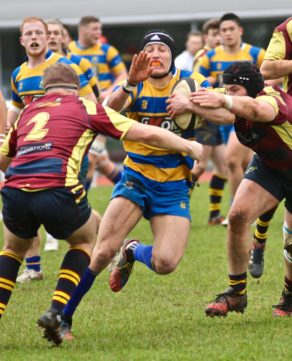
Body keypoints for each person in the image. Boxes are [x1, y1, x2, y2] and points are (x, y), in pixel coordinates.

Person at [0, 63, 203, 344]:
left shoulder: (27, 113)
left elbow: (3, 158)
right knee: (87, 241)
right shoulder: (85, 106)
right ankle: (59, 313)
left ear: (44, 87)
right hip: (61, 187)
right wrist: (189, 146)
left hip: (14, 190)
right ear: (77, 87)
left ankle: (125, 255)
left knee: (12, 251)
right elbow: (142, 133)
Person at [53, 29, 208, 343]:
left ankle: (133, 250)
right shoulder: (135, 81)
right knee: (101, 252)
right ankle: (63, 318)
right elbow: (106, 110)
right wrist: (129, 83)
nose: (156, 53)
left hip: (174, 185)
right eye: (150, 48)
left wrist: (194, 106)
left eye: (162, 48)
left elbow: (221, 112)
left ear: (172, 54)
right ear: (142, 55)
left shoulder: (192, 82)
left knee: (166, 263)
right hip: (135, 179)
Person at [169, 61, 292, 317]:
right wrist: (191, 104)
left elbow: (256, 110)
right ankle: (236, 293)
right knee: (237, 216)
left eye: (234, 89)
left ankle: (289, 296)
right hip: (271, 166)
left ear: (249, 88)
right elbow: (227, 112)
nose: (228, 94)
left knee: (290, 244)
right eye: (227, 89)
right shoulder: (236, 101)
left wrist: (222, 99)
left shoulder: (270, 100)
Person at [6, 16, 96, 282]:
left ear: (48, 38)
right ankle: (33, 266)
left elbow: (90, 103)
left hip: (66, 154)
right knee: (25, 206)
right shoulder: (18, 74)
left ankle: (95, 250)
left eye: (39, 33)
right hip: (29, 153)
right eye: (28, 33)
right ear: (22, 40)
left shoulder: (66, 67)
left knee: (73, 215)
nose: (34, 37)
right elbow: (17, 108)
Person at [196, 13, 265, 227]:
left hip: (248, 116)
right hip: (220, 116)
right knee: (242, 163)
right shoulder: (209, 56)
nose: (226, 33)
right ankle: (252, 209)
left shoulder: (255, 53)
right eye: (223, 30)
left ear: (240, 30)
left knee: (232, 161)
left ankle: (237, 209)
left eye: (230, 29)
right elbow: (197, 81)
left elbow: (270, 79)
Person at [247, 17, 292, 278]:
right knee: (278, 181)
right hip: (285, 123)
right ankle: (259, 240)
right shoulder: (287, 29)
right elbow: (267, 69)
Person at [68, 16, 126, 191]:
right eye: (95, 29)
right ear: (82, 30)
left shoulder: (107, 51)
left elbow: (123, 76)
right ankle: (132, 191)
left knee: (91, 157)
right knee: (102, 162)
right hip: (79, 112)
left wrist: (108, 92)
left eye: (99, 29)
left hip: (103, 109)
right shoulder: (70, 51)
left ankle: (80, 204)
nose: (99, 33)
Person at [192, 18, 227, 224]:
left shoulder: (218, 55)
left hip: (215, 118)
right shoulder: (204, 55)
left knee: (223, 167)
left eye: (219, 34)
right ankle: (179, 204)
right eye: (215, 34)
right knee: (200, 165)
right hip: (204, 117)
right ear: (207, 37)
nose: (219, 38)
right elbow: (194, 82)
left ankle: (214, 214)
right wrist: (209, 83)